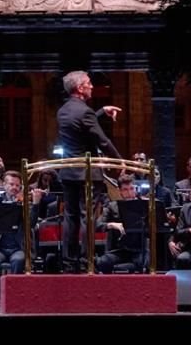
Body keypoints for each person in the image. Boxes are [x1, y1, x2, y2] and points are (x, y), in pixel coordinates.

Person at [56, 70, 122, 269]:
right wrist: (119, 161)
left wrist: (100, 111)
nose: (92, 86)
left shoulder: (63, 110)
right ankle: (87, 261)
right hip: (85, 174)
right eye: (89, 83)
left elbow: (81, 126)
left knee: (71, 216)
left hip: (68, 172)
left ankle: (69, 262)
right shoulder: (84, 112)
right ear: (80, 87)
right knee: (87, 217)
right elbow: (102, 140)